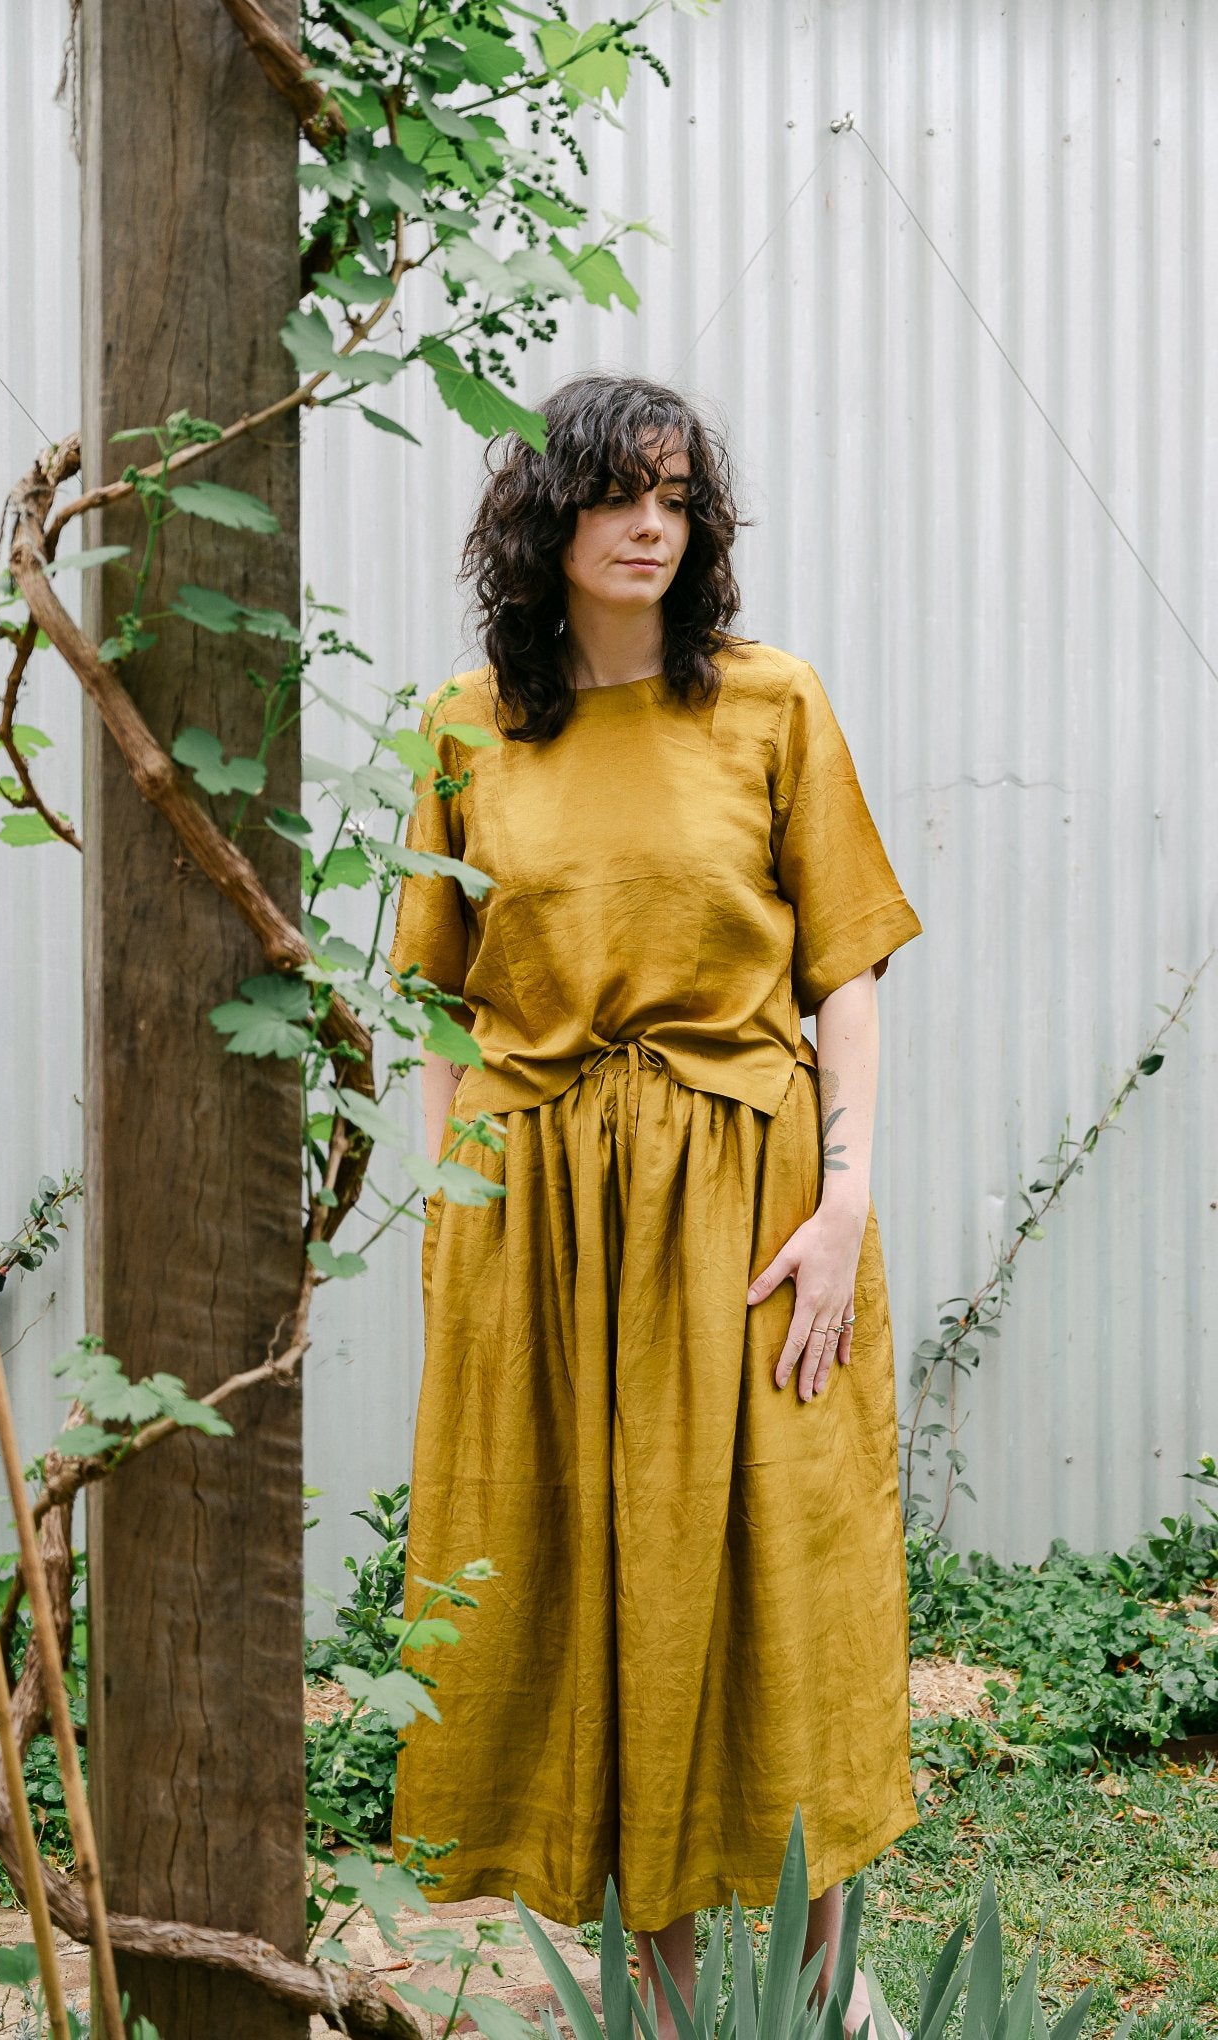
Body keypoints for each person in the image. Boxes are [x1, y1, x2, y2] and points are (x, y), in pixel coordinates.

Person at [387, 371, 923, 2036]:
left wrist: (842, 1206)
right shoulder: (472, 725)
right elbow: (439, 1001)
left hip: (752, 1205)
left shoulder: (771, 705)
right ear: (545, 521)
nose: (650, 525)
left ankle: (813, 1994)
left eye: (677, 497)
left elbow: (844, 976)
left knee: (780, 1578)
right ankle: (668, 1998)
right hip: (543, 1216)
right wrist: (452, 1202)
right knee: (580, 1579)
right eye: (619, 494)